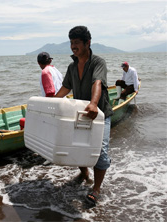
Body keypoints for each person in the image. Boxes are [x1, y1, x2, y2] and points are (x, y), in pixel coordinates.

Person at [55, 26, 113, 207]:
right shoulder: (72, 66)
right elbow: (65, 88)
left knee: (100, 152)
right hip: (79, 114)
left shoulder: (98, 62)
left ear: (88, 43)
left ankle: (96, 189)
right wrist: (49, 104)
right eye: (71, 43)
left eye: (77, 43)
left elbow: (98, 83)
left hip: (99, 114)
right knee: (77, 147)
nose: (73, 46)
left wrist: (94, 103)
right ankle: (84, 173)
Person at [37, 52, 63, 166]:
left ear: (38, 63)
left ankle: (50, 156)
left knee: (49, 131)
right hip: (62, 102)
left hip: (53, 104)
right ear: (50, 61)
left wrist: (46, 108)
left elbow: (50, 91)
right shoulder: (56, 71)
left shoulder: (45, 72)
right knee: (57, 130)